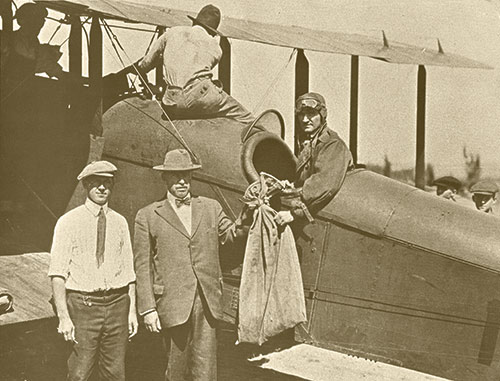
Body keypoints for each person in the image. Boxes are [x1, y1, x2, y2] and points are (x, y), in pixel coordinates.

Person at [133, 148, 249, 381]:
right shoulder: (147, 216)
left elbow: (231, 234)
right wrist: (148, 309)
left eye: (187, 175)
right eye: (176, 175)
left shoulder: (210, 207)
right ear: (165, 177)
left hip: (206, 303)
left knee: (205, 372)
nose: (182, 181)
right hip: (172, 304)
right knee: (175, 371)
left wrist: (248, 213)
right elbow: (142, 266)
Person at [48, 161, 137, 381]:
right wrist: (64, 317)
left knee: (115, 374)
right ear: (86, 185)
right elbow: (57, 274)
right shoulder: (68, 222)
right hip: (84, 307)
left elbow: (129, 273)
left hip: (117, 305)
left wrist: (132, 311)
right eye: (96, 183)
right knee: (80, 373)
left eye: (107, 183)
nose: (102, 188)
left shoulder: (120, 222)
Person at [130, 4, 253, 124]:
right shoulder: (216, 48)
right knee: (245, 117)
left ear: (194, 22)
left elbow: (145, 65)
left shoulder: (171, 32)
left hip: (172, 101)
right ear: (212, 32)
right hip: (201, 97)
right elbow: (195, 74)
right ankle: (262, 135)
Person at [275, 92, 353, 226]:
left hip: (339, 214)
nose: (305, 120)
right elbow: (308, 178)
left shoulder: (332, 144)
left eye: (311, 114)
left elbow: (323, 185)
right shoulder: (311, 143)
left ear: (322, 115)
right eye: (301, 114)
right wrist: (292, 185)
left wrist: (293, 213)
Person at [1, 3, 64, 84]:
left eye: (40, 22)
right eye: (34, 20)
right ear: (22, 21)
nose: (38, 25)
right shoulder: (5, 40)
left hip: (21, 94)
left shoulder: (39, 51)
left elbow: (55, 70)